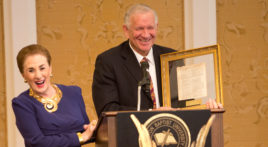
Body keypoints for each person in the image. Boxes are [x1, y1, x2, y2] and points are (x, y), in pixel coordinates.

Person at [92, 4, 222, 117]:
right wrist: (151, 113)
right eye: (139, 28)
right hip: (131, 138)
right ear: (126, 30)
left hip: (174, 134)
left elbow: (186, 104)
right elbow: (107, 110)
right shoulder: (108, 61)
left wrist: (207, 108)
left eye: (150, 28)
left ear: (157, 27)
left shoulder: (172, 58)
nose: (146, 34)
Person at [12, 44, 96, 147]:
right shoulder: (22, 103)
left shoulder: (73, 93)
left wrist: (96, 128)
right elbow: (38, 143)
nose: (38, 75)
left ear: (50, 69)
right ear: (23, 75)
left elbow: (85, 132)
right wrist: (79, 138)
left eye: (42, 68)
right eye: (31, 70)